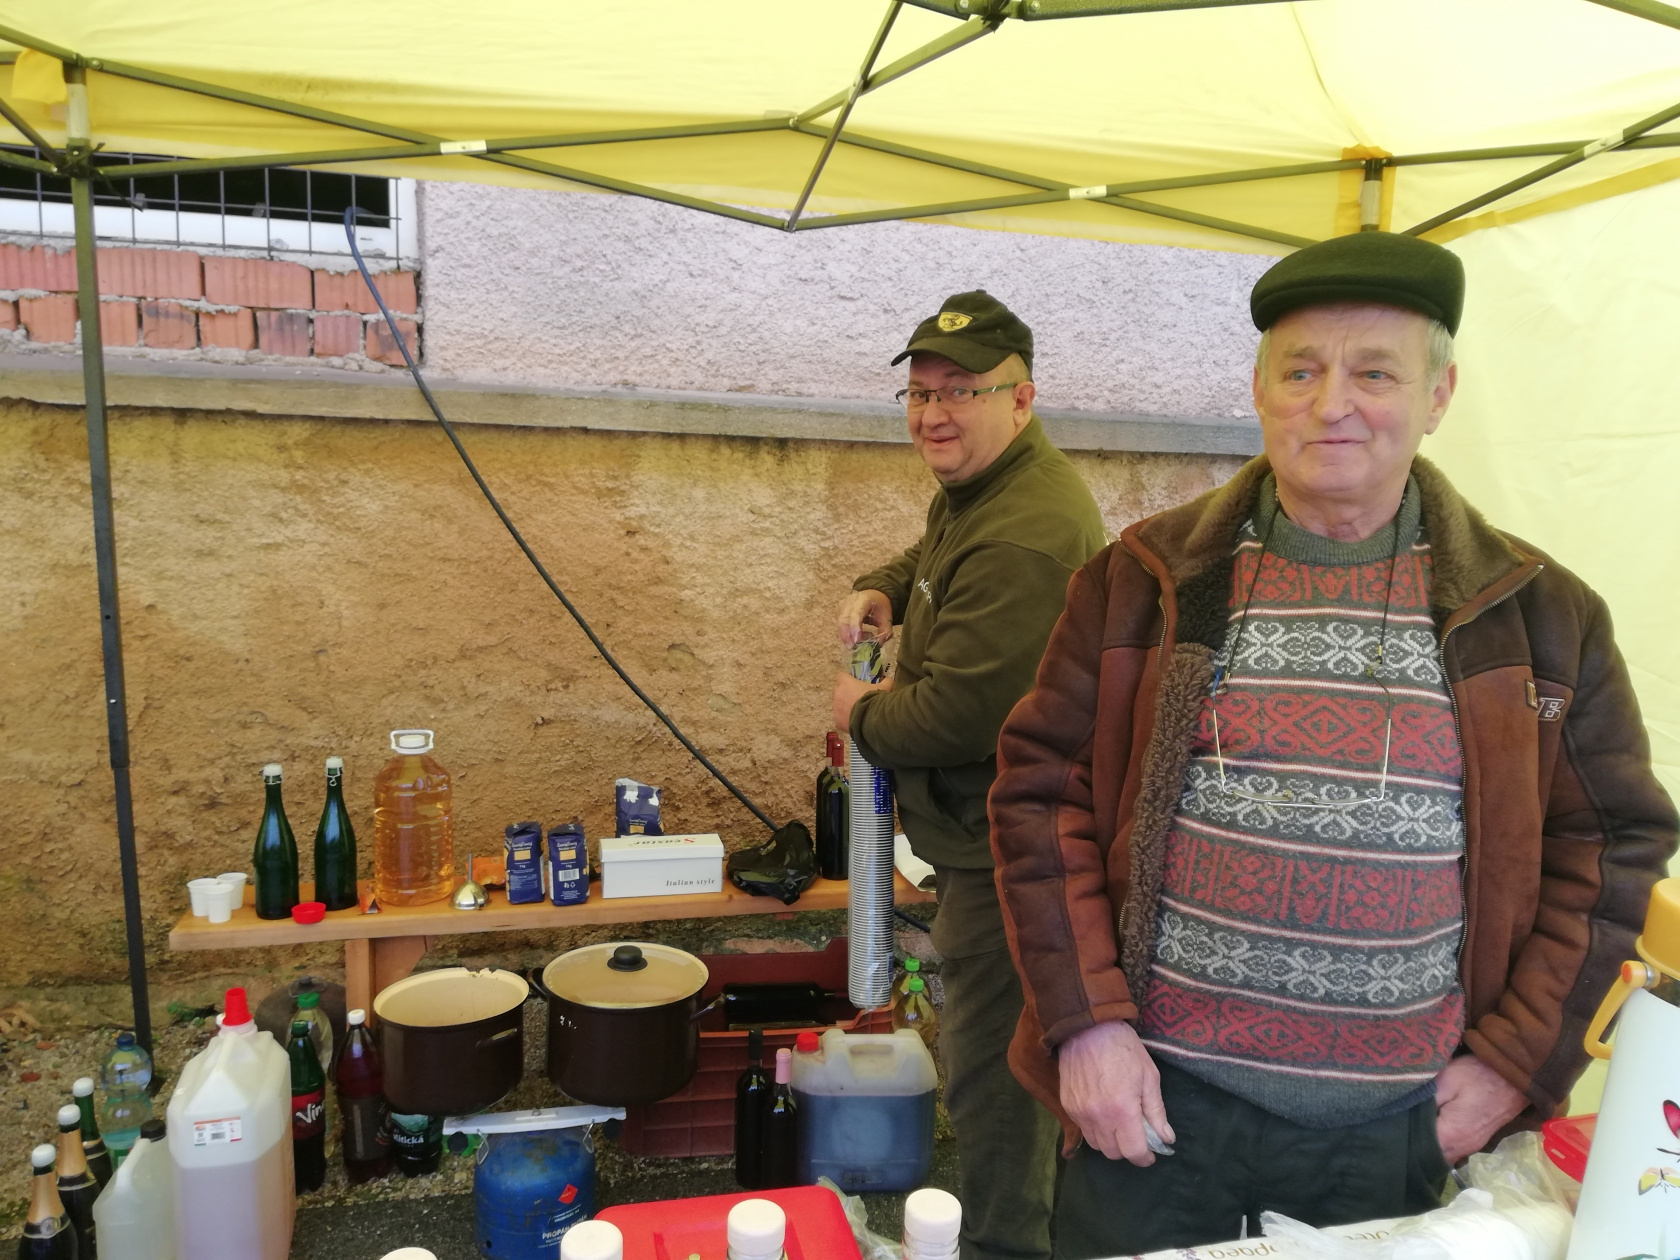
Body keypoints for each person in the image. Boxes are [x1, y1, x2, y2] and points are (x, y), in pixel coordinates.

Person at [988, 232, 1678, 1258]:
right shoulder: (1143, 582)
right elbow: (1041, 799)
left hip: (1393, 1133)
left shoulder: (1538, 615)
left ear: (1439, 395)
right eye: (1301, 371)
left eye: (1375, 374)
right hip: (1157, 1115)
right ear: (1259, 389)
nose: (1332, 404)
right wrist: (1085, 1025)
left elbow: (1613, 847)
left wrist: (1515, 1064)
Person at [834, 290, 1107, 1260]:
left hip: (1013, 854)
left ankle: (1005, 1246)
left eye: (961, 391)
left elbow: (958, 716)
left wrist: (858, 714)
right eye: (920, 393)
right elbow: (937, 551)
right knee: (997, 1056)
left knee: (998, 1073)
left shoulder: (1029, 531)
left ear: (1021, 400)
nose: (934, 414)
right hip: (977, 837)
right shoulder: (983, 489)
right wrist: (885, 585)